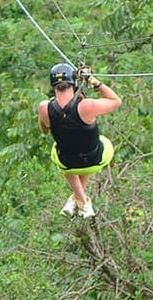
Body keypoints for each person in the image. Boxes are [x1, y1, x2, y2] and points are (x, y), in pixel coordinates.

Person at [38, 63, 121, 218]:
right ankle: (82, 201)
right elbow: (116, 101)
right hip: (95, 161)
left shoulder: (44, 108)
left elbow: (44, 130)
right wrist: (93, 81)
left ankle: (77, 199)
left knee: (59, 148)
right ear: (73, 84)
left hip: (68, 165)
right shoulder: (87, 106)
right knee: (100, 141)